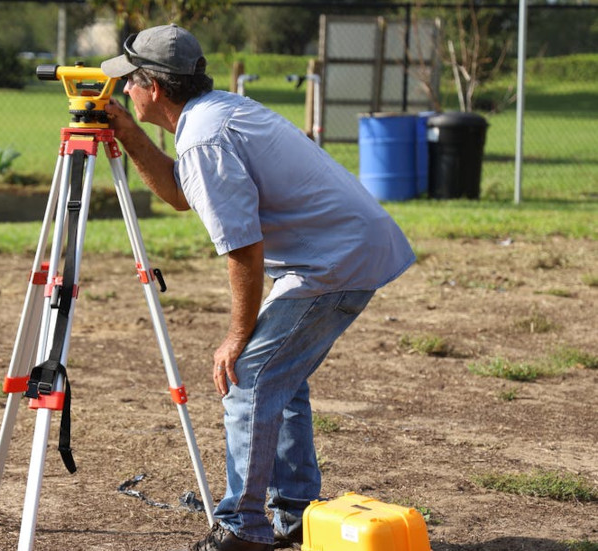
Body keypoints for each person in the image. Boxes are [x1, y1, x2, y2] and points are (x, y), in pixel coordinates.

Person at [101, 25, 415, 551]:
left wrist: (235, 334)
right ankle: (293, 509)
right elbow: (181, 194)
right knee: (277, 377)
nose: (121, 91)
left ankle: (242, 528)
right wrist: (129, 133)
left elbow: (244, 249)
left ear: (153, 87)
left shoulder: (206, 137)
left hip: (332, 262)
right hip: (338, 251)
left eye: (127, 82)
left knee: (247, 376)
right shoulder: (214, 112)